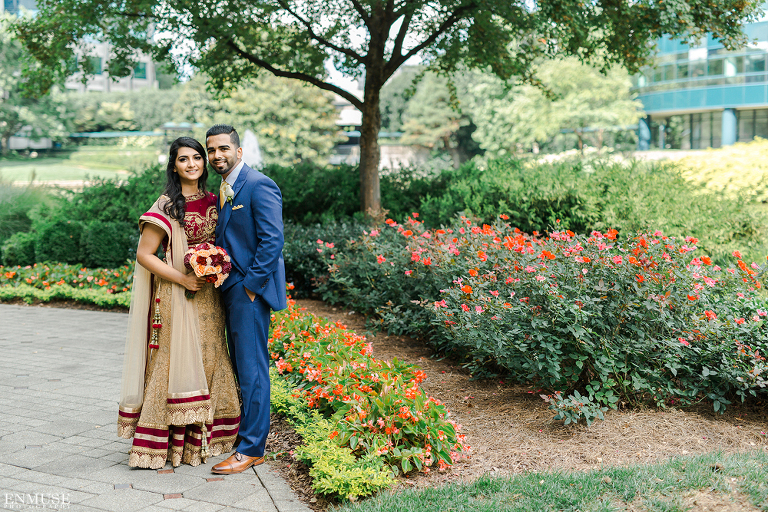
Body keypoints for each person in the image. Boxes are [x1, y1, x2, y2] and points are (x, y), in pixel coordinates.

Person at [117, 137, 241, 469]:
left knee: (211, 356)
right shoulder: (167, 205)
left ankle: (204, 440)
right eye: (183, 159)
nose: (192, 164)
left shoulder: (216, 199)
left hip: (210, 296)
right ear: (174, 165)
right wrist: (182, 278)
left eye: (197, 157)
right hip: (177, 294)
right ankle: (166, 446)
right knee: (175, 362)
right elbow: (145, 255)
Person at [206, 124, 287, 474]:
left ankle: (252, 448)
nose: (216, 156)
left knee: (253, 370)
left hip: (248, 293)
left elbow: (273, 241)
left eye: (223, 148)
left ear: (239, 151)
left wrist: (251, 287)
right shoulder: (224, 188)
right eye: (211, 150)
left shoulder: (258, 185)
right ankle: (244, 437)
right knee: (242, 367)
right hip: (228, 289)